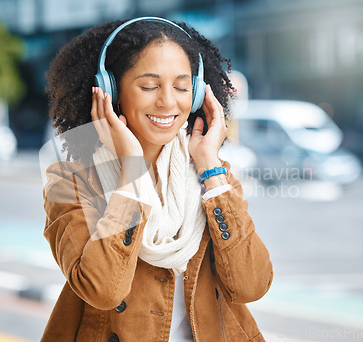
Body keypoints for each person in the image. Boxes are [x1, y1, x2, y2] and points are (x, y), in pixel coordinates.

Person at [41, 16, 273, 342]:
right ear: (110, 90)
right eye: (149, 86)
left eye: (181, 87)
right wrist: (132, 171)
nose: (167, 101)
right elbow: (104, 290)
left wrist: (208, 164)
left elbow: (252, 284)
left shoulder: (213, 177)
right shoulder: (72, 183)